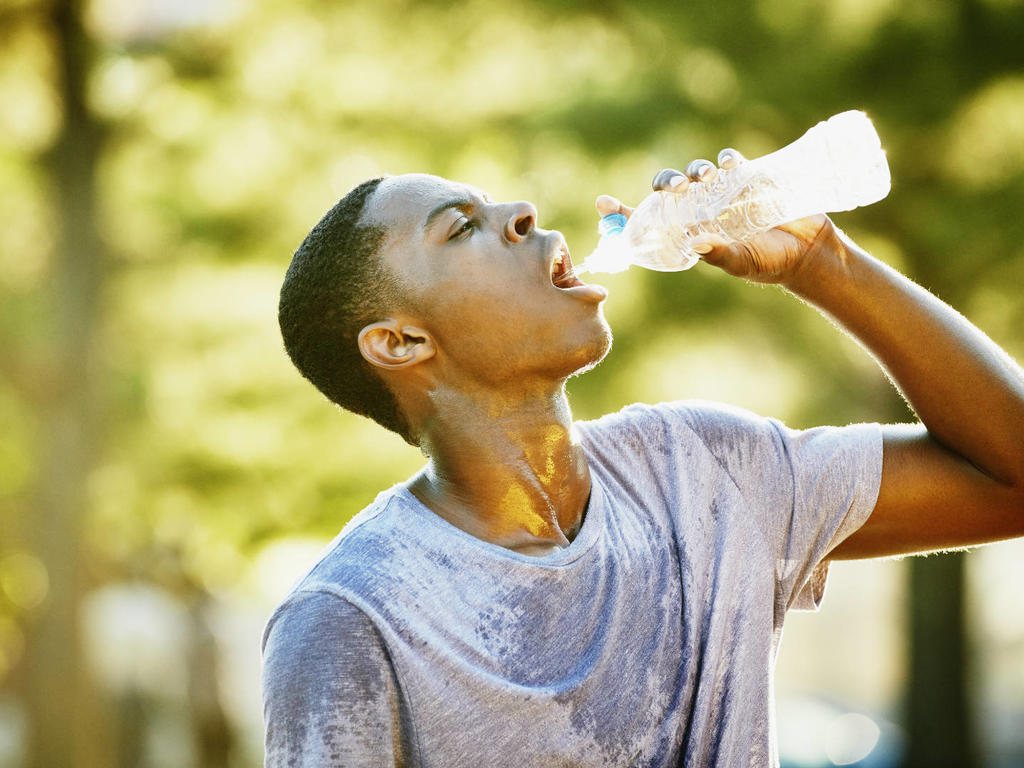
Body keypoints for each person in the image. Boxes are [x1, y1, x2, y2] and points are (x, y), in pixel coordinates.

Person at [262, 147, 1024, 767]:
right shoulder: (351, 618)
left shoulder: (702, 469)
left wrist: (823, 262)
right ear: (401, 342)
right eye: (462, 228)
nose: (523, 213)